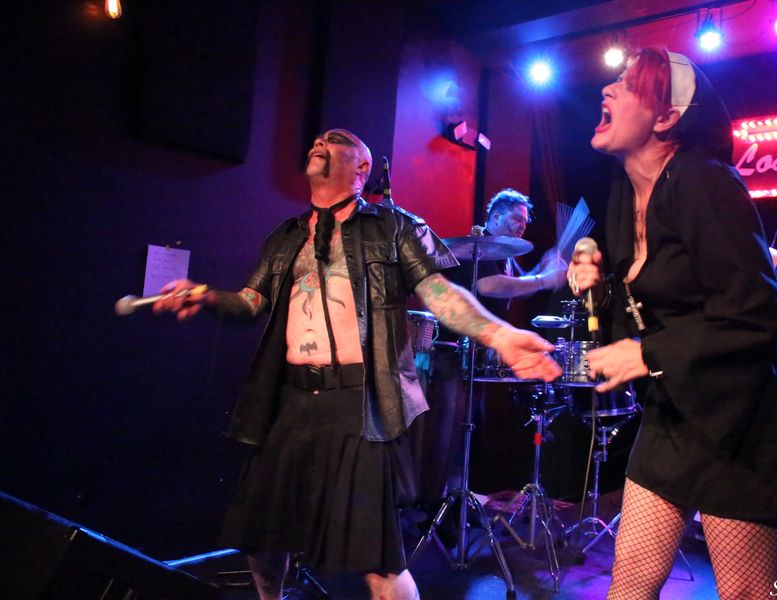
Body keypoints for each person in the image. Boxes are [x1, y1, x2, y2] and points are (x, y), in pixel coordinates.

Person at [153, 128, 561, 600]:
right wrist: (204, 295)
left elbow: (440, 294)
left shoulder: (394, 227)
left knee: (377, 558)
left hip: (360, 406)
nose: (319, 141)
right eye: (316, 139)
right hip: (291, 403)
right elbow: (249, 303)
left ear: (362, 168)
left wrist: (499, 334)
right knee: (263, 538)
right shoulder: (285, 238)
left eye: (335, 139)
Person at [567, 48, 777, 599]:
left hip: (738, 421)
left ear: (667, 116)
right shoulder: (622, 194)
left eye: (629, 85)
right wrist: (600, 284)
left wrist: (647, 353)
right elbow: (645, 313)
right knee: (629, 586)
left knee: (747, 593)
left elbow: (757, 313)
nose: (607, 89)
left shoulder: (705, 181)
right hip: (674, 414)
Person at [413, 188, 566, 507]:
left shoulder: (504, 256)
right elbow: (491, 287)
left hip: (479, 356)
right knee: (449, 434)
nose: (522, 226)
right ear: (494, 216)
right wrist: (543, 279)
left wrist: (545, 269)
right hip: (452, 353)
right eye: (516, 219)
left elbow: (519, 286)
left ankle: (460, 499)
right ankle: (434, 503)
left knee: (469, 430)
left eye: (525, 222)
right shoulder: (479, 247)